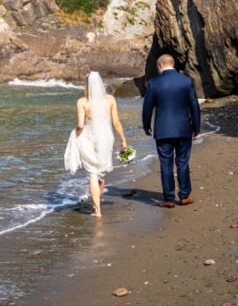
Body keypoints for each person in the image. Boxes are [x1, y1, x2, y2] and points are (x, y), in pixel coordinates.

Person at [64, 71, 128, 217]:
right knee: (100, 173)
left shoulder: (82, 102)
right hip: (106, 138)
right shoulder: (110, 100)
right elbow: (116, 122)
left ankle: (97, 210)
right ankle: (97, 203)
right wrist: (123, 140)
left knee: (92, 174)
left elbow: (80, 125)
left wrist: (75, 135)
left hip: (88, 138)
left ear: (86, 85)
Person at [141, 54, 201, 208]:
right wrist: (196, 127)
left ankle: (168, 198)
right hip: (183, 129)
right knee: (182, 162)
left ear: (160, 65)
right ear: (172, 64)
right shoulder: (186, 81)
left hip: (163, 130)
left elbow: (147, 107)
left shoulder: (154, 83)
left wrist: (146, 125)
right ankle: (184, 196)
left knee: (166, 164)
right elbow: (194, 105)